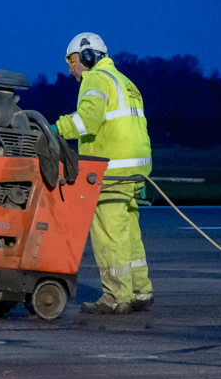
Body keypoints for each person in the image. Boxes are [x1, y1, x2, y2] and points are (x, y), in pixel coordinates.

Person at [52, 32, 154, 315]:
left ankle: (116, 296)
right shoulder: (126, 82)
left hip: (111, 170)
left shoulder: (95, 79)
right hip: (136, 169)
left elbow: (87, 121)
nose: (71, 68)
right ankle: (140, 290)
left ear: (88, 57)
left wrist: (55, 130)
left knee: (109, 233)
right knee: (129, 231)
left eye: (72, 61)